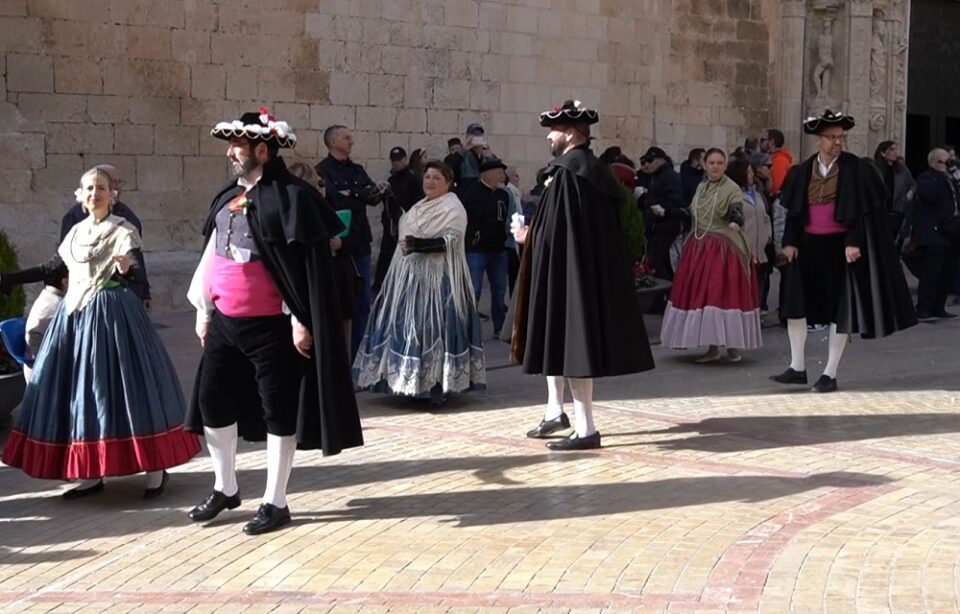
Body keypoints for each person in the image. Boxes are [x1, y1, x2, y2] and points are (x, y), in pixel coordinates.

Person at [186, 109, 362, 535]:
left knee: (277, 412)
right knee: (211, 402)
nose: (230, 153)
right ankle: (225, 487)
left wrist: (301, 318)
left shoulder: (293, 197)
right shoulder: (228, 197)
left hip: (271, 326)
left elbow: (300, 269)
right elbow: (212, 255)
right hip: (225, 321)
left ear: (262, 150)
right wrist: (204, 310)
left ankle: (275, 501)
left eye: (237, 147)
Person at [0, 167, 199, 498]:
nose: (95, 193)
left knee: (127, 388)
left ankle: (154, 470)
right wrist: (10, 280)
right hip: (74, 319)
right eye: (89, 188)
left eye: (101, 188)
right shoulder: (76, 232)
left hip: (113, 316)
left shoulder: (122, 229)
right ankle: (91, 473)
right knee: (82, 392)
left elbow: (137, 271)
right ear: (80, 195)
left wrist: (126, 269)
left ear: (112, 194)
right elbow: (53, 268)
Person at [512, 100, 655, 451]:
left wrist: (527, 236)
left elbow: (560, 232)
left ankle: (586, 428)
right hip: (573, 270)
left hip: (572, 274)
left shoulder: (572, 174)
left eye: (555, 130)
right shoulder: (585, 170)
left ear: (572, 134)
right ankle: (554, 412)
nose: (549, 136)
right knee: (555, 340)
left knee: (574, 349)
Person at [771, 110, 916, 392]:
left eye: (840, 137)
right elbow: (795, 213)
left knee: (841, 310)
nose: (837, 141)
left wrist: (854, 241)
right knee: (795, 305)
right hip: (808, 246)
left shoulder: (857, 169)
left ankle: (830, 372)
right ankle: (797, 366)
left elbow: (864, 211)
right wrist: (789, 243)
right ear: (818, 140)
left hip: (840, 247)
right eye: (831, 137)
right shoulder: (802, 171)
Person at [353, 160, 486, 406]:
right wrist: (390, 200)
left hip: (440, 282)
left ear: (448, 183)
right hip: (409, 280)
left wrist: (419, 245)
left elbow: (451, 241)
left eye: (437, 178)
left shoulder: (453, 208)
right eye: (427, 177)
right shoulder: (418, 207)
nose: (430, 182)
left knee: (434, 331)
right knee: (404, 329)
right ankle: (405, 382)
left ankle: (436, 386)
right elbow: (401, 230)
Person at [660, 149, 762, 363]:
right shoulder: (702, 187)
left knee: (723, 294)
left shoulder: (731, 188)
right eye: (711, 163)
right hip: (699, 246)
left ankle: (733, 346)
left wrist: (735, 220)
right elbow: (693, 210)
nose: (715, 166)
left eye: (719, 163)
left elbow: (736, 208)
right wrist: (670, 213)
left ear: (725, 166)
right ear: (705, 165)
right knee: (705, 296)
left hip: (724, 248)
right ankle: (712, 347)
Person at [316, 125, 386, 355]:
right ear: (333, 142)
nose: (351, 142)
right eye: (347, 138)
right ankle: (339, 355)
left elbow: (374, 197)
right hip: (337, 246)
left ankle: (359, 355)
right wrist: (359, 195)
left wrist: (353, 193)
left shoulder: (357, 170)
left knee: (362, 300)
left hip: (360, 242)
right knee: (339, 302)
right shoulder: (322, 171)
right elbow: (334, 201)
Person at [288, 162, 361, 355]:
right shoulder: (291, 215)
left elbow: (358, 240)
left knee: (341, 340)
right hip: (311, 291)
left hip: (339, 280)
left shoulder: (337, 207)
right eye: (316, 184)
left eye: (322, 184)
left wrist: (341, 244)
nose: (320, 188)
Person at [59, 164, 151, 307]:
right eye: (113, 182)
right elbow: (63, 260)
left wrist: (144, 291)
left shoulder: (128, 218)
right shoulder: (74, 218)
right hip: (83, 297)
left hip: (121, 296)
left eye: (119, 182)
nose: (117, 186)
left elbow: (136, 261)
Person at [461, 157, 511, 337]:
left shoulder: (503, 195)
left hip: (498, 249)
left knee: (499, 290)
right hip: (477, 250)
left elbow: (506, 217)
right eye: (498, 172)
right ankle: (469, 328)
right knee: (473, 290)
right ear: (487, 174)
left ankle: (500, 327)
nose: (501, 176)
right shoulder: (471, 193)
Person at [913, 148, 960, 322]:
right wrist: (941, 175)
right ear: (934, 162)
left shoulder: (951, 179)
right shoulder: (926, 178)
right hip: (934, 232)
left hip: (952, 231)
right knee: (931, 272)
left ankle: (939, 306)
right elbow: (930, 195)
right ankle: (924, 308)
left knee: (947, 271)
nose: (949, 164)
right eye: (945, 160)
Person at [374, 147, 423, 294]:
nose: (397, 163)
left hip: (407, 229)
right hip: (391, 228)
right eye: (394, 160)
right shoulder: (391, 180)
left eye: (399, 160)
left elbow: (417, 204)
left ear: (405, 159)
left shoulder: (414, 180)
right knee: (385, 260)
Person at [728, 158, 773, 312]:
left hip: (760, 250)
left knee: (759, 283)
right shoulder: (733, 196)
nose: (751, 175)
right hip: (743, 248)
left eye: (751, 172)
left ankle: (756, 312)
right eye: (747, 172)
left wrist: (768, 235)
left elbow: (765, 216)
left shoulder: (757, 195)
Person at [640, 146, 687, 281]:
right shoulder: (657, 176)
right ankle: (670, 288)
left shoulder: (669, 177)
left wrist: (662, 209)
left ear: (661, 160)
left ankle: (667, 289)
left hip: (665, 224)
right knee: (662, 261)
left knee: (656, 261)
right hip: (658, 224)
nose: (647, 164)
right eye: (644, 161)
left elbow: (677, 200)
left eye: (650, 160)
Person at [872, 140, 916, 247]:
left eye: (896, 149)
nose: (895, 152)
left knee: (894, 242)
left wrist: (909, 194)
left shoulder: (901, 169)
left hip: (897, 211)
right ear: (883, 153)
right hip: (879, 211)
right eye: (891, 149)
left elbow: (912, 184)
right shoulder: (874, 168)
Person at [445, 123, 489, 190]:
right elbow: (448, 169)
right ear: (467, 137)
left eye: (479, 135)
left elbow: (501, 176)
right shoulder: (461, 155)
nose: (477, 137)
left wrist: (491, 156)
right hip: (466, 194)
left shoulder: (486, 155)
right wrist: (464, 148)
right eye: (474, 135)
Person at [766, 128, 794, 196]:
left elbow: (777, 186)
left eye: (766, 139)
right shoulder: (777, 158)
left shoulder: (780, 160)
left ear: (772, 142)